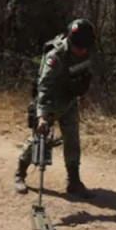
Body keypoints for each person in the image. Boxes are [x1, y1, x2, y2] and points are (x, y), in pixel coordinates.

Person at [13, 19, 99, 199]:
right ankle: (19, 174)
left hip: (69, 102)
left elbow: (82, 74)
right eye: (79, 47)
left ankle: (74, 182)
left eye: (85, 47)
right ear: (70, 40)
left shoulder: (86, 49)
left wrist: (82, 95)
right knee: (39, 139)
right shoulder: (56, 56)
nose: (83, 50)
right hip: (50, 102)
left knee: (73, 140)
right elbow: (44, 87)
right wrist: (42, 116)